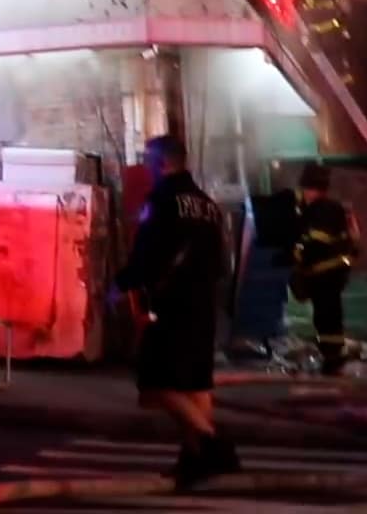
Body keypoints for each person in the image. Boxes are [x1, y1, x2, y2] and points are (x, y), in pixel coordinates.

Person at [115, 134, 239, 487]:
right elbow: (221, 260)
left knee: (155, 381)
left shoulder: (163, 200)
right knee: (196, 386)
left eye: (148, 158)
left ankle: (213, 444)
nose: (146, 165)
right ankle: (194, 457)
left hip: (171, 305)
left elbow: (148, 251)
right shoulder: (208, 205)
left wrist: (122, 284)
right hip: (204, 304)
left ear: (164, 162)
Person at [290, 164, 359, 375]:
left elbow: (315, 241)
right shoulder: (329, 208)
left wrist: (296, 256)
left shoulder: (320, 210)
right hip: (331, 273)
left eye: (304, 189)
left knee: (326, 317)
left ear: (310, 188)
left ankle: (333, 358)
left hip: (325, 273)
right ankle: (333, 355)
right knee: (328, 316)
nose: (303, 194)